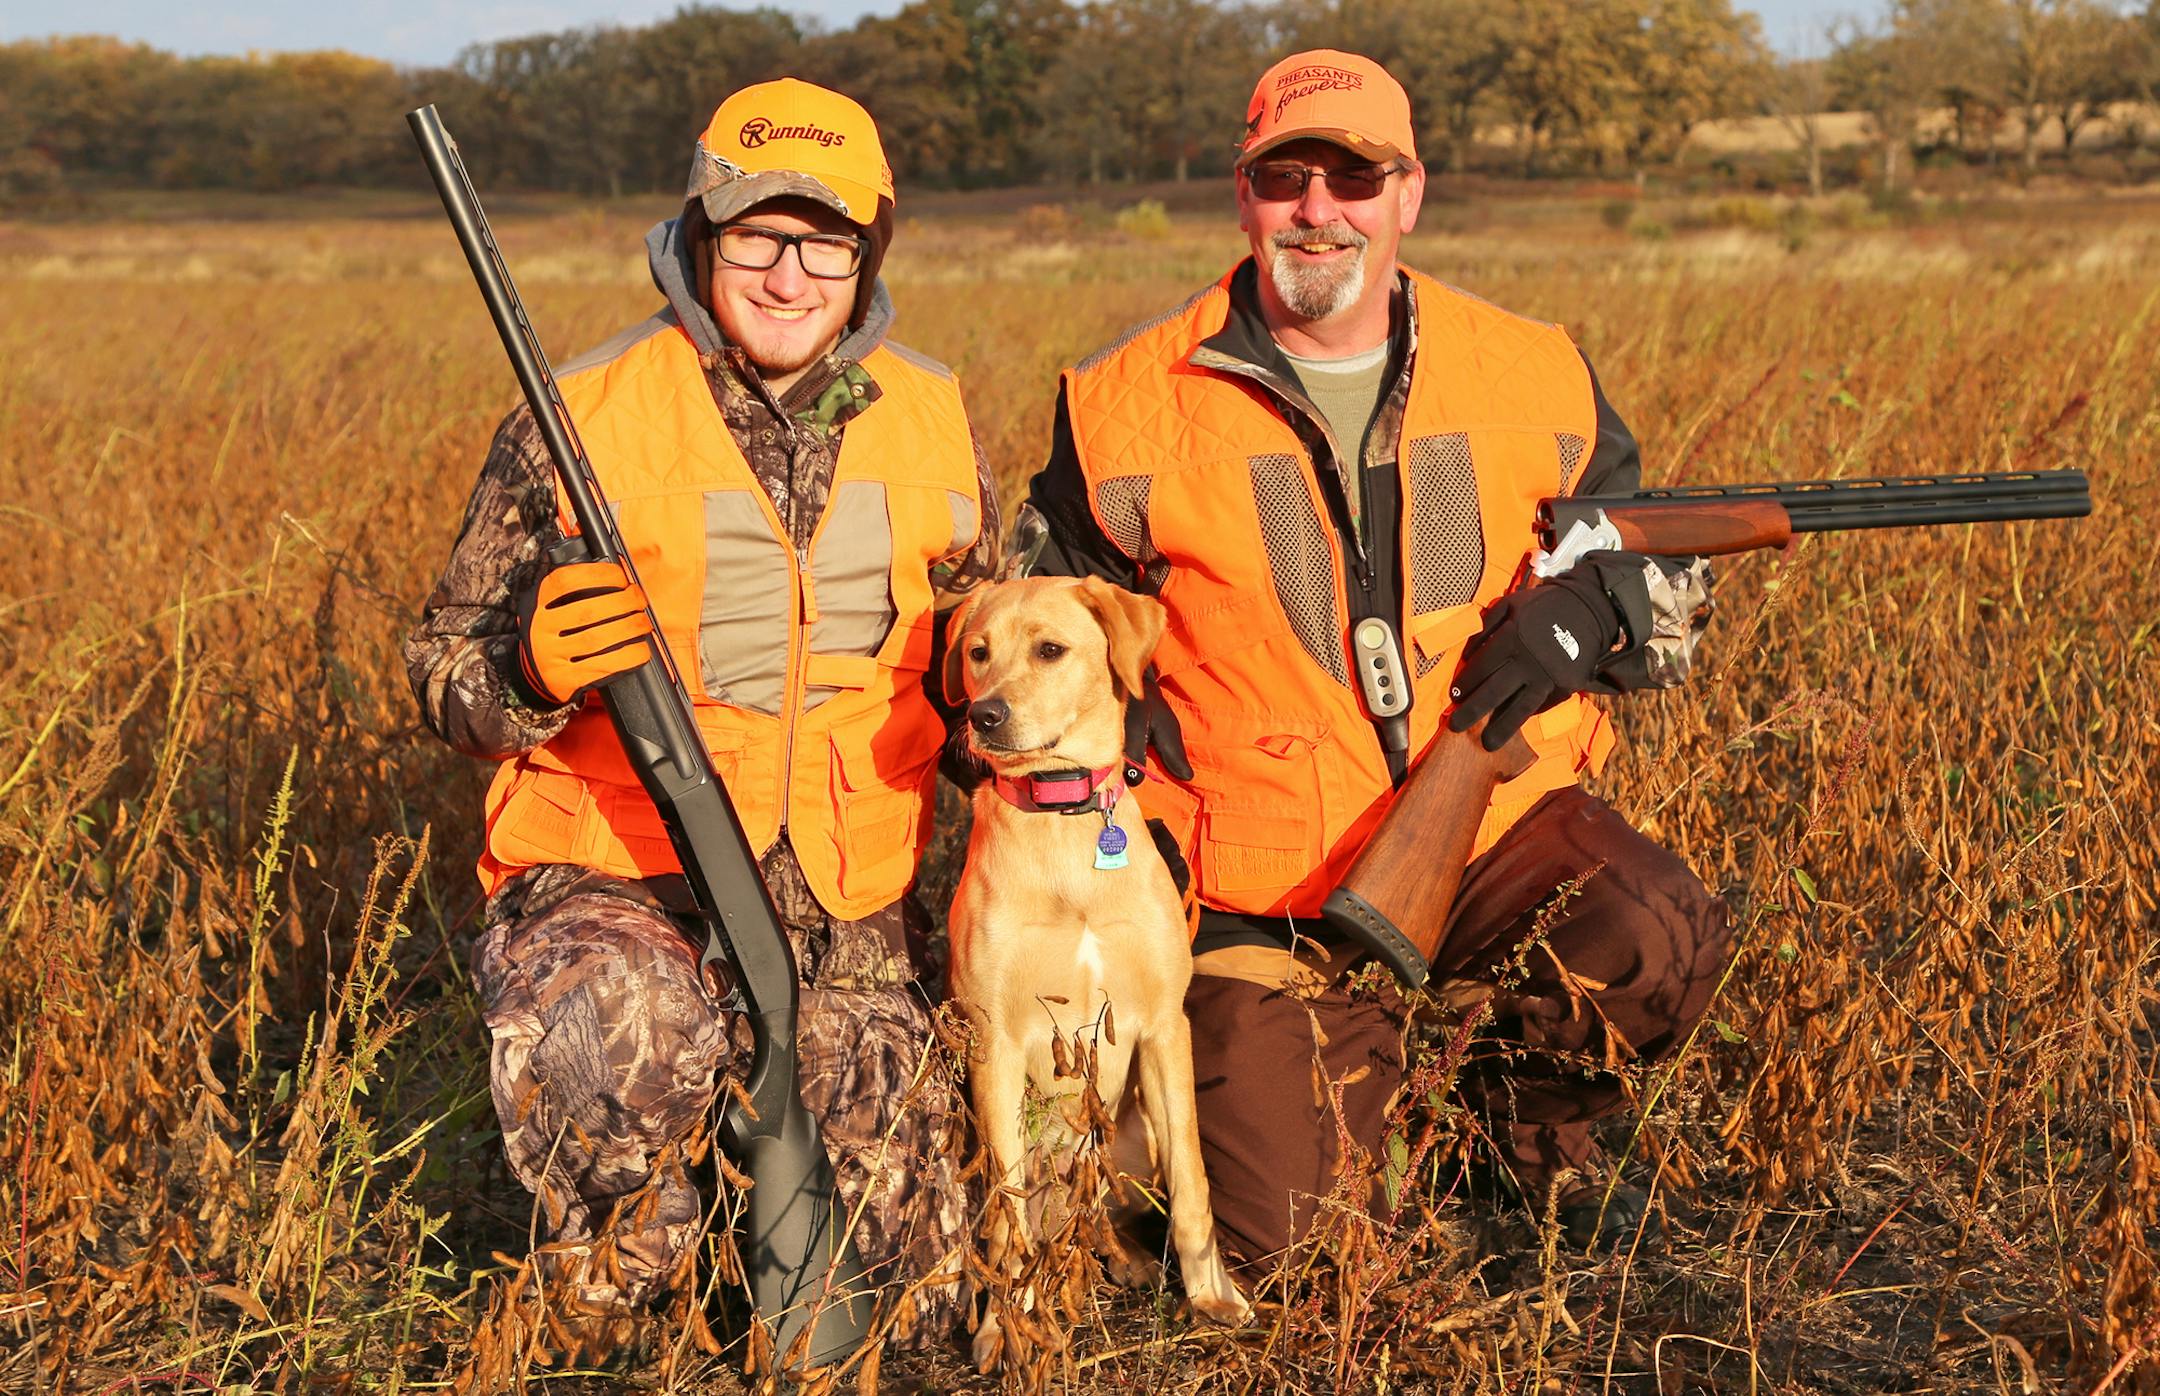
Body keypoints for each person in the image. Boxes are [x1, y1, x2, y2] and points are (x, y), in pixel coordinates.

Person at [1023, 50, 1729, 1260]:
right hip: (1257, 881)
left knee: (1653, 930)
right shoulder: (1126, 403)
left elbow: (1658, 563)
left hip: (1496, 830)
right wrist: (1116, 710)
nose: (1319, 208)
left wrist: (1594, 613)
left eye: (1356, 175)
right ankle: (1343, 1089)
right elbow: (1038, 619)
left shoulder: (1533, 368)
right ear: (1243, 197)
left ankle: (1511, 1141)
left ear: (1409, 194)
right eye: (1286, 176)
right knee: (1292, 1245)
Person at [404, 78, 994, 1346]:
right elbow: (441, 665)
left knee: (923, 1311)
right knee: (636, 1038)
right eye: (756, 237)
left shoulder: (933, 413)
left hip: (839, 900)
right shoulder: (579, 415)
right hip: (612, 879)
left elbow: (990, 650)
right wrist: (525, 668)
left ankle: (750, 1247)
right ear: (698, 232)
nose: (790, 276)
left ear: (869, 250)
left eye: (825, 241)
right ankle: (613, 1294)